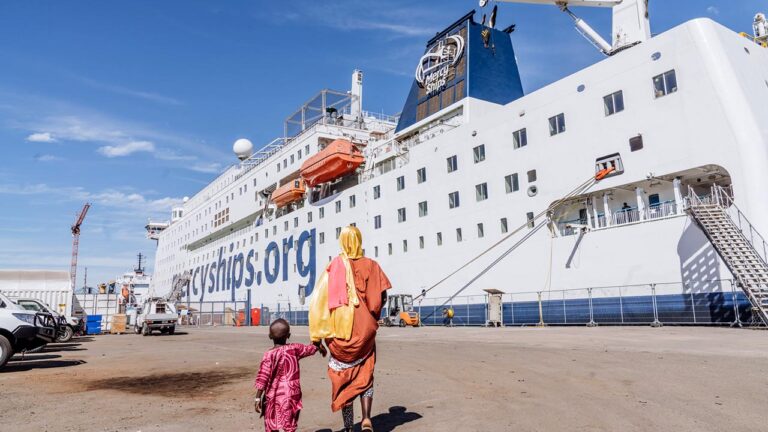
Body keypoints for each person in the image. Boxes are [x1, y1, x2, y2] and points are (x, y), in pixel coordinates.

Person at [309, 226, 392, 432]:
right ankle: (365, 419)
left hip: (339, 336)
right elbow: (377, 301)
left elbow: (318, 303)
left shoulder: (333, 267)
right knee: (366, 374)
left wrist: (317, 339)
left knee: (344, 379)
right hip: (364, 334)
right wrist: (372, 317)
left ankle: (348, 427)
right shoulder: (371, 266)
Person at [254, 318, 326, 432]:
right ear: (288, 335)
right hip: (292, 394)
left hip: (274, 396)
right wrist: (317, 345)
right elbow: (308, 349)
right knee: (290, 422)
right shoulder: (294, 348)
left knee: (271, 420)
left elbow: (263, 377)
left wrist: (258, 397)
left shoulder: (269, 355)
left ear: (269, 336)